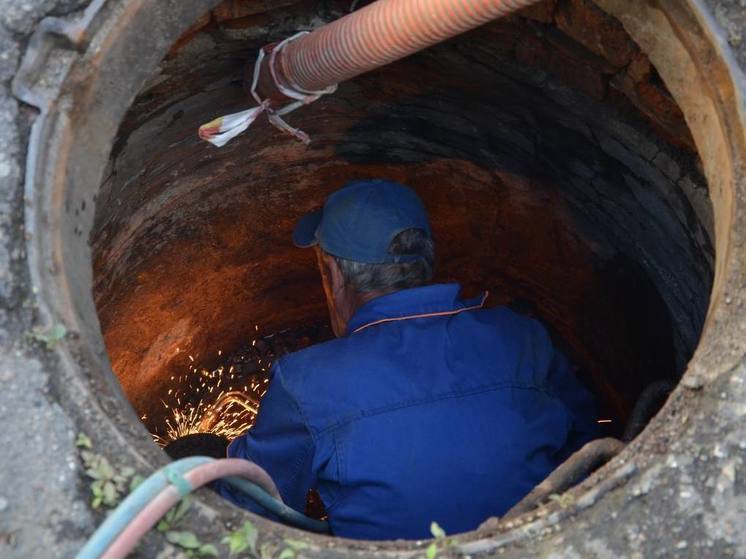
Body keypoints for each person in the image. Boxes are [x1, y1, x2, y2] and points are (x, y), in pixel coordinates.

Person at [214, 179, 599, 540]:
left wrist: (202, 461)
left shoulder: (304, 381)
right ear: (423, 262)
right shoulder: (520, 336)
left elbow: (251, 505)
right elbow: (587, 451)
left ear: (332, 273)